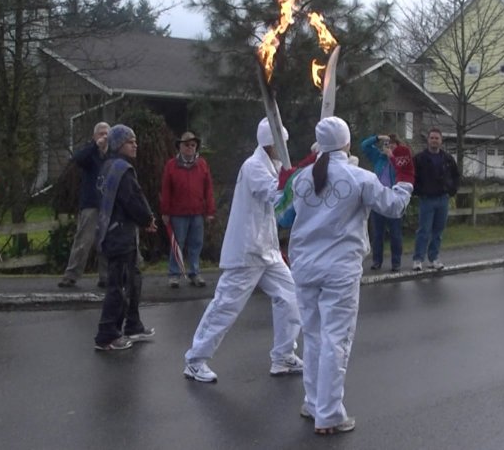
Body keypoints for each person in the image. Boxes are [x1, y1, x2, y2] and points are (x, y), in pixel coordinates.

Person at [289, 116, 414, 435]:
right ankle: (329, 414)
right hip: (338, 270)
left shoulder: (302, 178)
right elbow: (395, 206)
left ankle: (314, 402)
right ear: (345, 142)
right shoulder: (360, 177)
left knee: (314, 336)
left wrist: (290, 176)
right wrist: (405, 176)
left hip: (304, 266)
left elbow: (283, 215)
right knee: (335, 339)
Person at [183, 118, 303, 383]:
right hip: (248, 249)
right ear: (269, 143)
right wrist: (291, 180)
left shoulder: (275, 164)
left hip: (267, 249)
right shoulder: (253, 166)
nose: (285, 146)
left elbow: (284, 202)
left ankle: (283, 356)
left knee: (291, 296)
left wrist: (296, 175)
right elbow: (273, 194)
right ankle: (195, 360)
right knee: (226, 305)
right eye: (281, 142)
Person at [94, 125, 158, 351]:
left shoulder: (109, 166)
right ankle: (107, 334)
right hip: (119, 235)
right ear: (119, 144)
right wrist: (147, 218)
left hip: (114, 233)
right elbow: (133, 199)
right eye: (131, 141)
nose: (135, 145)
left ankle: (132, 325)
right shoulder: (122, 169)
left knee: (132, 281)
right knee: (119, 285)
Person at [160, 131, 215, 288]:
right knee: (177, 244)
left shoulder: (202, 164)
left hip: (197, 212)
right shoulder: (171, 165)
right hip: (178, 213)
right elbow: (166, 190)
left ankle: (194, 273)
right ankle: (174, 274)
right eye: (186, 145)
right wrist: (165, 211)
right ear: (180, 147)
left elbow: (208, 189)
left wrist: (210, 211)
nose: (190, 148)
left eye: (193, 145)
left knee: (196, 244)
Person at [58, 122, 110, 288]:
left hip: (108, 205)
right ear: (95, 136)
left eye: (106, 134)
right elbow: (77, 159)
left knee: (106, 242)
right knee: (83, 240)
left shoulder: (113, 155)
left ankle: (106, 276)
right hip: (90, 204)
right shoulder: (90, 153)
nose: (104, 136)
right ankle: (71, 275)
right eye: (101, 133)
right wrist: (96, 146)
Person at [411, 128, 459, 271]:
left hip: (442, 199)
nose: (434, 140)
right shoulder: (419, 158)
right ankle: (418, 259)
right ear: (428, 140)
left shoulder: (448, 159)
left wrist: (452, 190)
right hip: (426, 199)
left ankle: (434, 258)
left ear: (441, 141)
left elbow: (456, 175)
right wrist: (418, 190)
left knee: (438, 231)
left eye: (436, 138)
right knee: (423, 231)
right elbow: (413, 176)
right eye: (432, 138)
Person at [359, 133, 406, 271]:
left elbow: (402, 171)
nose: (389, 148)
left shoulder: (400, 160)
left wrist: (392, 156)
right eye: (387, 145)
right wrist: (378, 138)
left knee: (395, 234)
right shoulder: (378, 158)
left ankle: (396, 262)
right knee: (377, 234)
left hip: (393, 200)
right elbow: (364, 146)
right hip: (378, 200)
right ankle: (376, 261)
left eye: (392, 146)